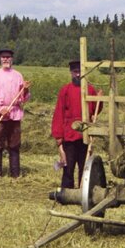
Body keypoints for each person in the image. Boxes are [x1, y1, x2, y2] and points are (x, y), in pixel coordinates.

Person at [51, 59, 100, 189]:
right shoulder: (65, 90)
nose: (78, 75)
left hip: (85, 134)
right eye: (75, 72)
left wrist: (99, 101)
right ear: (71, 73)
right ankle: (67, 192)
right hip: (69, 135)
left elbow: (96, 108)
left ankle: (83, 191)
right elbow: (58, 114)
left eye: (80, 72)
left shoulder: (90, 89)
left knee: (84, 166)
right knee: (68, 165)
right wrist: (59, 137)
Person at [0, 47, 29, 178]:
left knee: (14, 144)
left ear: (12, 59)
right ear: (0, 59)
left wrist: (25, 90)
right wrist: (0, 110)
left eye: (8, 57)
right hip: (0, 114)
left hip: (14, 113)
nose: (5, 59)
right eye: (3, 57)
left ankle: (15, 173)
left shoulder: (18, 75)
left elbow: (23, 97)